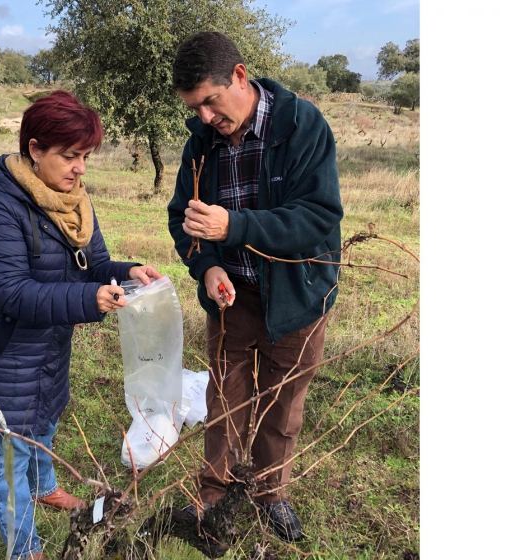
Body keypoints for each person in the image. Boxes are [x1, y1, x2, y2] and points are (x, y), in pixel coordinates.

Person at [0, 90, 162, 560]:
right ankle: (25, 549)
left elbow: (95, 261)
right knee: (8, 455)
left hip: (48, 345)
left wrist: (126, 272)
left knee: (45, 420)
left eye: (85, 156)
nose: (80, 168)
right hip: (3, 353)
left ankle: (46, 487)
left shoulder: (74, 202)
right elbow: (9, 290)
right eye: (69, 156)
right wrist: (89, 299)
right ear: (34, 150)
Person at [167, 31, 343, 542]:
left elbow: (318, 216)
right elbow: (184, 218)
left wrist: (235, 227)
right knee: (225, 399)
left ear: (239, 77)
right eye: (194, 107)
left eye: (210, 102)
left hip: (299, 296)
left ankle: (270, 493)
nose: (204, 117)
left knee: (282, 404)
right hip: (232, 298)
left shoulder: (301, 126)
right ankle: (214, 496)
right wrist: (209, 268)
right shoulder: (201, 145)